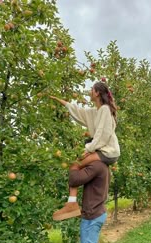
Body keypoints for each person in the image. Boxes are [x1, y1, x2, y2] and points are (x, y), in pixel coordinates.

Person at [50, 81, 120, 221]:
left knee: (75, 164)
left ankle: (72, 204)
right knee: (75, 163)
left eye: (91, 90)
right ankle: (72, 203)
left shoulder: (105, 110)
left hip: (108, 152)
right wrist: (60, 101)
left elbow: (102, 134)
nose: (89, 92)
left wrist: (89, 149)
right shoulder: (97, 111)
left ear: (97, 93)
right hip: (101, 149)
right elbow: (79, 111)